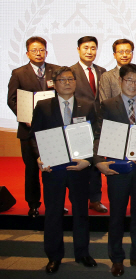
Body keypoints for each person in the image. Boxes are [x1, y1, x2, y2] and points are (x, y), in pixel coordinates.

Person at [32, 67, 98, 274]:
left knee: (81, 212)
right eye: (62, 80)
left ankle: (82, 253)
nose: (67, 83)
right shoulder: (43, 106)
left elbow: (95, 136)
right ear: (54, 83)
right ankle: (54, 256)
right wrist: (39, 156)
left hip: (79, 168)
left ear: (76, 82)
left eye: (71, 79)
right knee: (53, 213)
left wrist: (88, 160)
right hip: (54, 168)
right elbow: (35, 136)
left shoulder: (87, 105)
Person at [94, 64, 136, 277]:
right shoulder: (108, 105)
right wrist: (98, 160)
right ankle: (117, 259)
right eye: (129, 80)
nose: (133, 85)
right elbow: (99, 133)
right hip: (118, 169)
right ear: (120, 81)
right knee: (117, 215)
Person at [7, 36, 59, 217]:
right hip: (28, 130)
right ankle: (33, 205)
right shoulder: (19, 73)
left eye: (42, 49)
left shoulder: (57, 71)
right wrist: (25, 117)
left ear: (46, 51)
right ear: (27, 52)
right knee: (31, 170)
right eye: (34, 50)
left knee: (53, 168)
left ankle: (55, 203)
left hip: (52, 129)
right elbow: (11, 100)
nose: (39, 53)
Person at [70, 36, 108, 214]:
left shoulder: (103, 71)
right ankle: (77, 199)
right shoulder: (70, 72)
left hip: (98, 123)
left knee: (96, 162)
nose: (89, 51)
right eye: (86, 48)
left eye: (93, 48)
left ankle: (95, 199)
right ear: (78, 49)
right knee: (79, 162)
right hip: (78, 124)